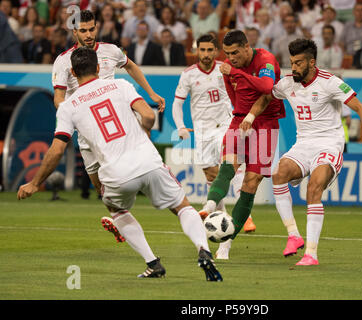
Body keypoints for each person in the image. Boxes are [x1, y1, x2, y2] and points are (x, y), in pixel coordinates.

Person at [17, 47, 223, 281]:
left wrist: (35, 183)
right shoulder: (122, 86)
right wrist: (143, 133)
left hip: (116, 173)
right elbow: (148, 115)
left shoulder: (68, 107)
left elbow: (57, 149)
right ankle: (203, 249)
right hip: (148, 161)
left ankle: (153, 263)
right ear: (97, 68)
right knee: (182, 206)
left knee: (117, 210)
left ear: (73, 73)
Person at [250, 38, 362, 265]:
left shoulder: (330, 82)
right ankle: (293, 236)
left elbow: (359, 107)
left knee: (313, 187)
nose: (294, 68)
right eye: (292, 62)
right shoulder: (287, 83)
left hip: (329, 144)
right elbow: (265, 98)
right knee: (278, 174)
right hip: (303, 144)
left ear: (312, 62)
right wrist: (250, 117)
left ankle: (311, 254)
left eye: (299, 63)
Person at [52, 10, 165, 241]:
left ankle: (162, 197)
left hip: (115, 127)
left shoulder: (111, 50)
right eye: (83, 30)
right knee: (100, 188)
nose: (89, 34)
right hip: (88, 134)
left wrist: (151, 93)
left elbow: (131, 66)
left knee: (133, 169)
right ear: (75, 32)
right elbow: (58, 97)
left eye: (92, 28)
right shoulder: (64, 61)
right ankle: (121, 220)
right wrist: (71, 117)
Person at [198, 30, 285, 259]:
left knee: (250, 182)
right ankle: (208, 206)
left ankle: (225, 244)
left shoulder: (266, 60)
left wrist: (235, 72)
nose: (231, 58)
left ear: (247, 46)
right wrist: (240, 116)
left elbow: (267, 88)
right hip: (240, 120)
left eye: (235, 52)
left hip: (266, 124)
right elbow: (233, 95)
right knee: (228, 165)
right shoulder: (228, 67)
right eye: (227, 54)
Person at [171, 34, 252, 240]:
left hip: (226, 124)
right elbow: (177, 103)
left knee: (232, 165)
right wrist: (181, 127)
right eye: (202, 50)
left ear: (216, 51)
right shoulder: (188, 74)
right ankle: (222, 217)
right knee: (210, 175)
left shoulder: (225, 68)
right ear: (197, 51)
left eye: (209, 50)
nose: (206, 54)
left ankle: (245, 213)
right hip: (202, 130)